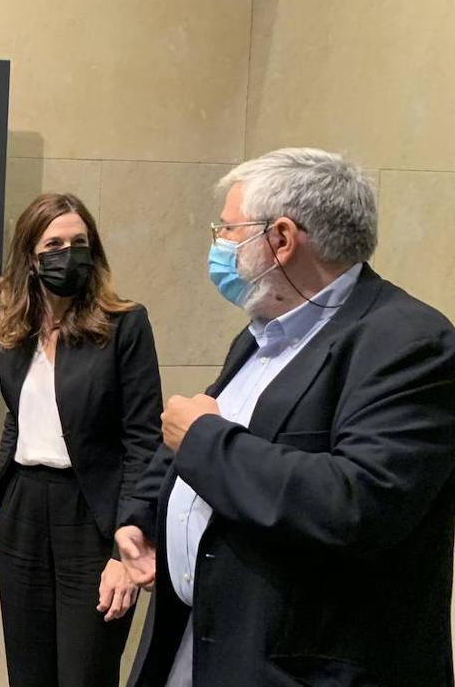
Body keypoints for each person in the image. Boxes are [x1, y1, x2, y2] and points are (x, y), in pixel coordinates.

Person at [116, 148, 455, 687]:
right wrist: (145, 519)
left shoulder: (408, 341)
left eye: (227, 230)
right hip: (202, 643)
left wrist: (203, 439)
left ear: (280, 238)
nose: (218, 246)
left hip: (304, 669)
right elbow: (193, 439)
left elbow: (356, 503)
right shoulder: (262, 334)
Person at [0, 192, 163, 687]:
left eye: (79, 242)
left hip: (94, 514)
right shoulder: (13, 328)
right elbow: (18, 416)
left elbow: (144, 441)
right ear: (30, 257)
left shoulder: (125, 324)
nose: (69, 252)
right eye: (55, 243)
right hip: (22, 509)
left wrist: (130, 543)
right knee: (28, 671)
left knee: (85, 673)